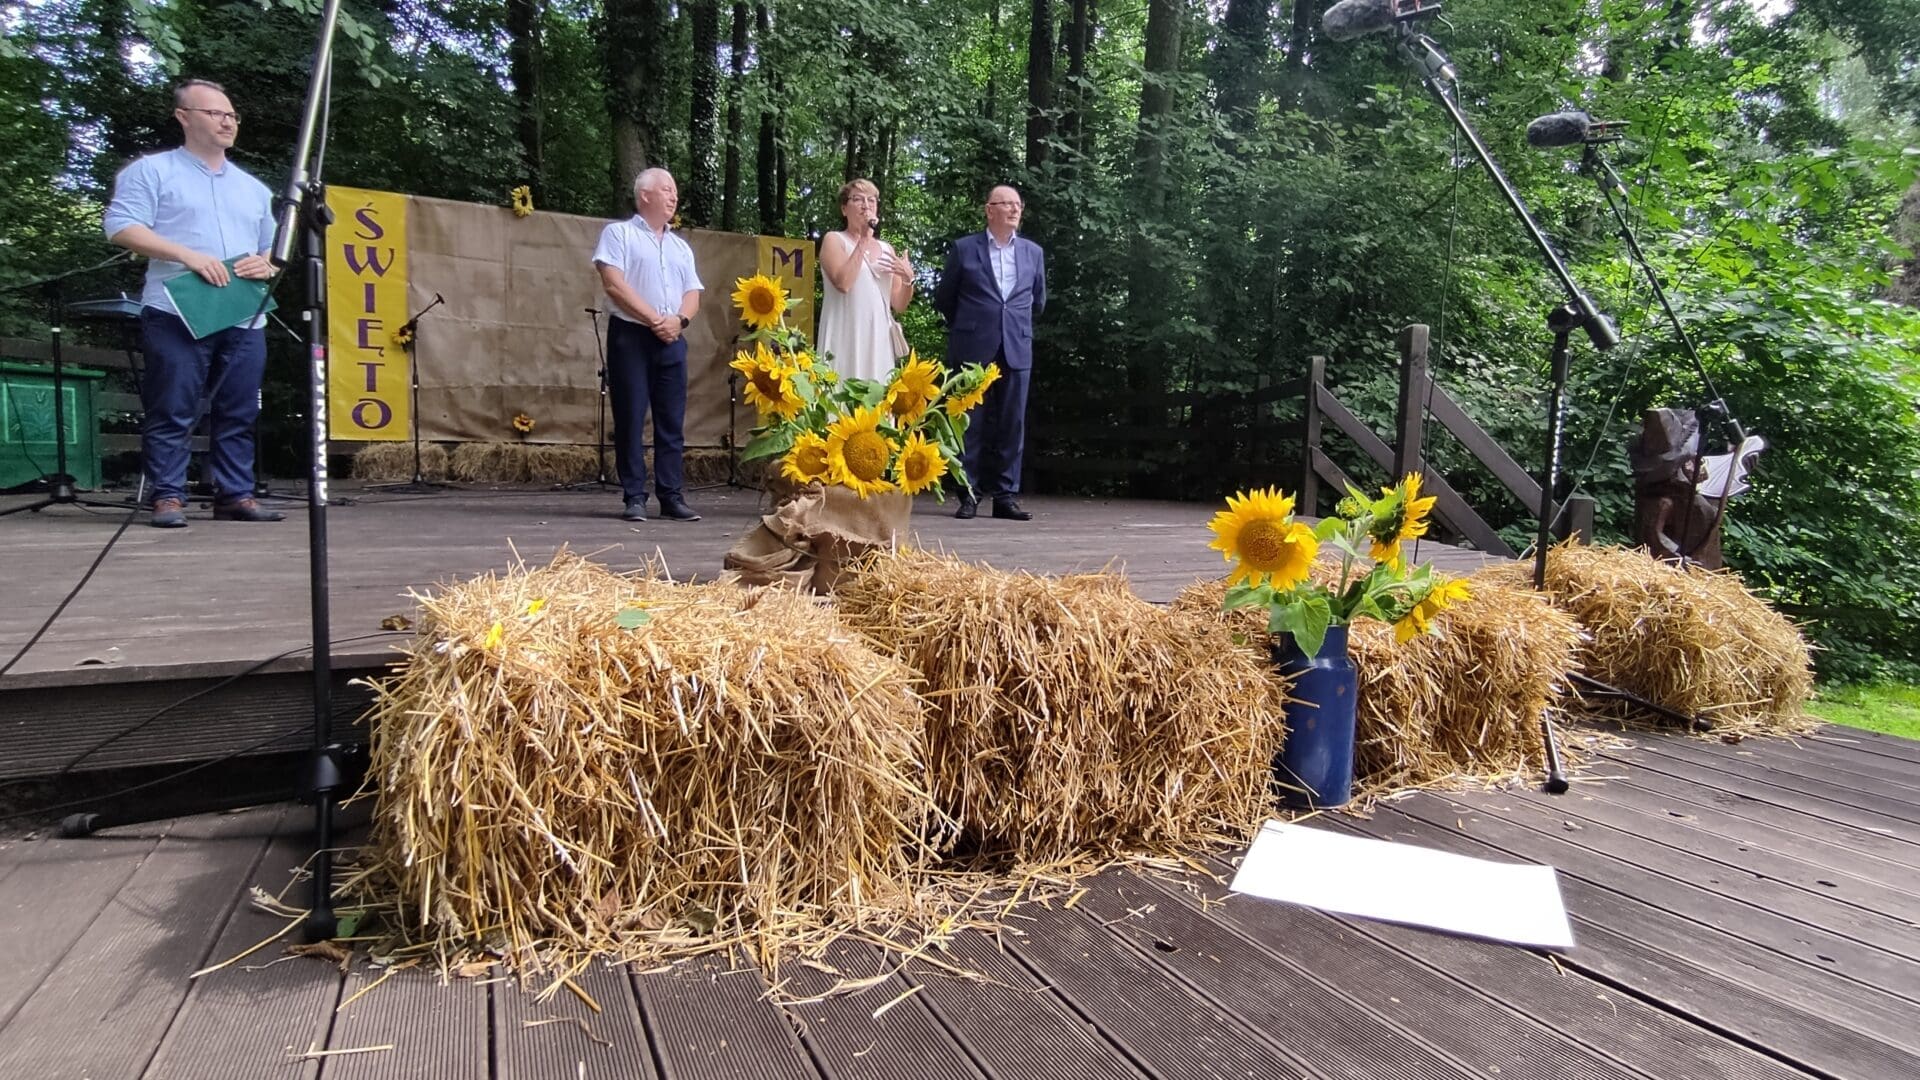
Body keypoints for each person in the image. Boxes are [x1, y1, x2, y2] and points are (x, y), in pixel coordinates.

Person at [103, 79, 284, 528]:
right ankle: (168, 495)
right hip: (176, 309)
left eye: (232, 115)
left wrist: (266, 264)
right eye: (215, 113)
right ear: (184, 117)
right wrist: (187, 255)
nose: (227, 122)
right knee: (172, 406)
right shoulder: (152, 171)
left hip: (242, 314)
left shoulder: (253, 188)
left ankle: (235, 494)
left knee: (240, 408)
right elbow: (121, 226)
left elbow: (272, 247)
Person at [591, 168, 704, 523]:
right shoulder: (619, 234)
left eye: (675, 190)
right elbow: (613, 283)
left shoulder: (680, 246)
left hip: (673, 338)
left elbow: (693, 293)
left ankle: (671, 496)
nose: (674, 196)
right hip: (631, 335)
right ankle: (635, 496)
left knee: (671, 421)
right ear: (644, 195)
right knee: (630, 416)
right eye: (666, 189)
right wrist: (655, 318)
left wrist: (679, 321)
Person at [933, 184, 1045, 521]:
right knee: (970, 423)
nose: (1014, 209)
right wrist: (973, 325)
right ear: (989, 210)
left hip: (1016, 345)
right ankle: (968, 494)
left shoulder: (1033, 252)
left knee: (1012, 423)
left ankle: (1005, 497)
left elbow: (1038, 301)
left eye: (1018, 204)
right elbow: (945, 298)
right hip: (972, 345)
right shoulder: (965, 249)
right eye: (1006, 203)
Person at [816, 178, 913, 383]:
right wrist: (864, 239)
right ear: (844, 209)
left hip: (878, 340)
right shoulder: (834, 240)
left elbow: (899, 304)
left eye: (871, 200)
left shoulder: (887, 249)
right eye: (858, 199)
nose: (866, 205)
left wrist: (908, 279)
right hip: (844, 335)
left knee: (877, 395)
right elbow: (843, 283)